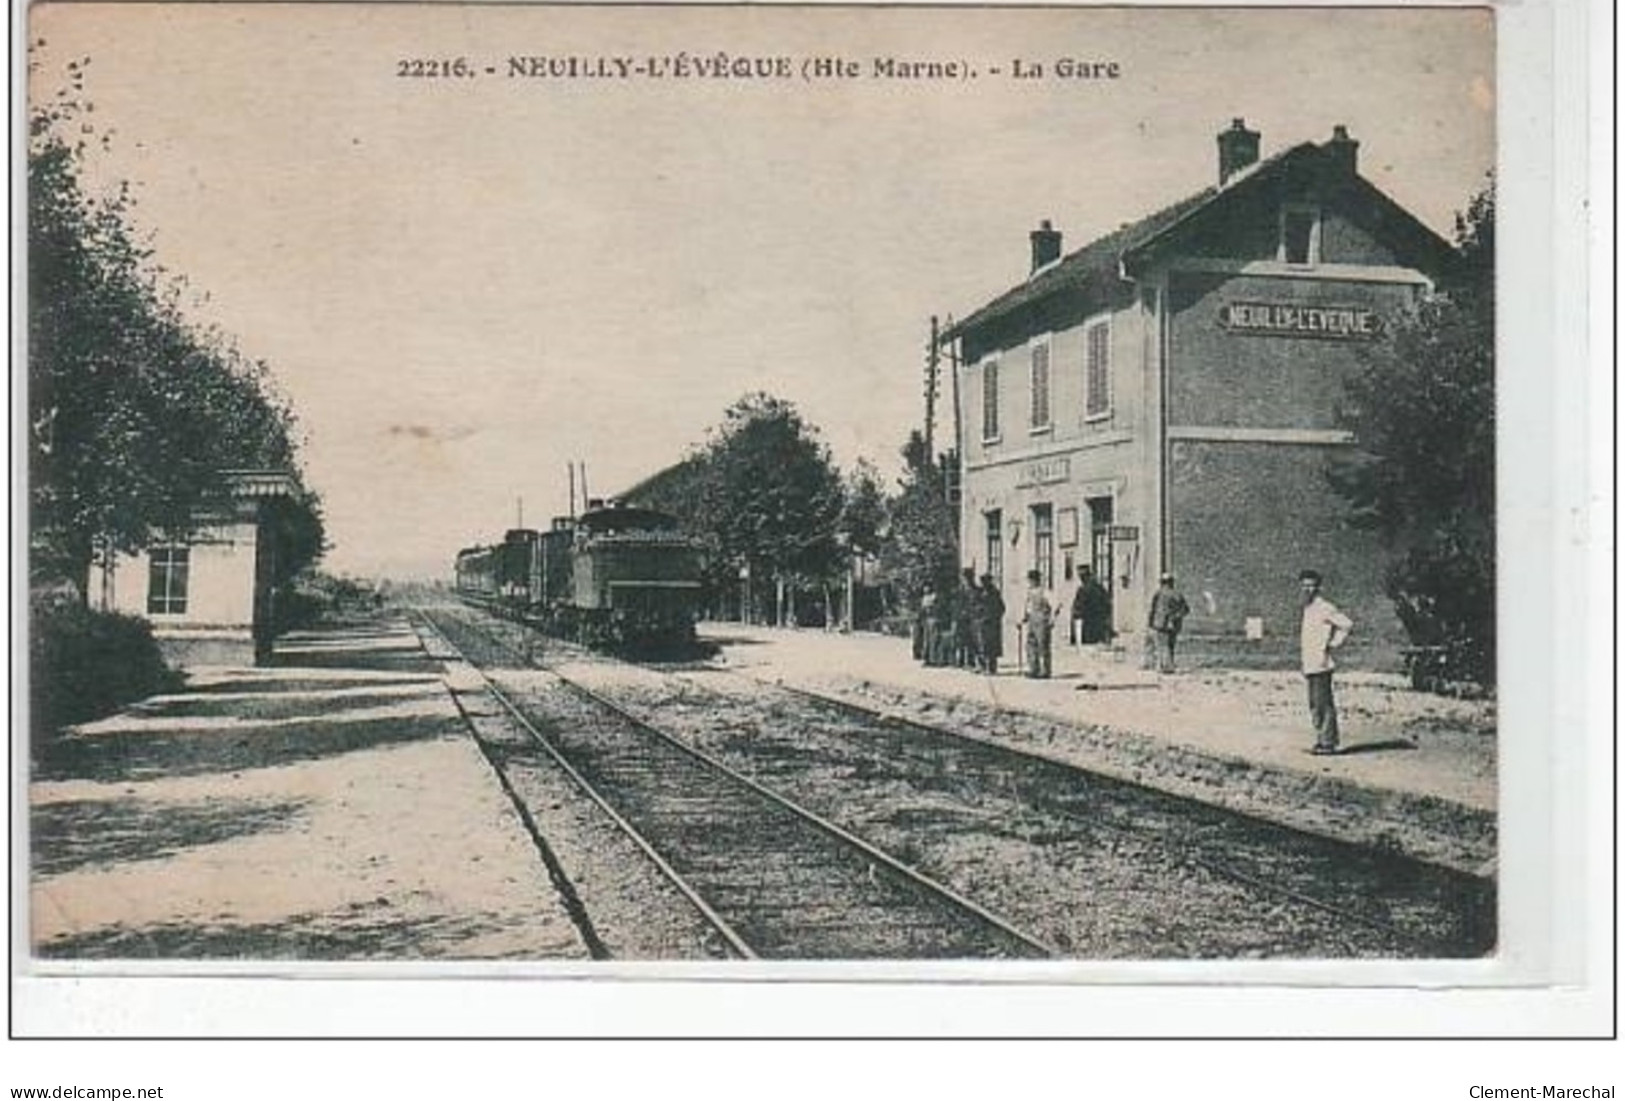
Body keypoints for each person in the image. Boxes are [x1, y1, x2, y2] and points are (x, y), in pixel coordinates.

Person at [1299, 569, 1354, 755]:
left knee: (1324, 703)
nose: (1307, 589)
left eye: (1311, 585)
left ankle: (1329, 742)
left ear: (1318, 587)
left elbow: (1346, 624)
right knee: (1314, 704)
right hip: (1310, 663)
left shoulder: (1325, 607)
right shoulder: (1307, 608)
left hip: (1322, 664)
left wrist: (1333, 643)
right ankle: (1321, 740)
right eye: (1304, 585)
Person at [1147, 572, 1190, 673]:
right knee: (1170, 645)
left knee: (1162, 645)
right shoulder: (1176, 594)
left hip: (1160, 623)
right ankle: (1167, 665)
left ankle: (1163, 666)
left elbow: (1152, 609)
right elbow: (1185, 610)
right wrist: (1176, 617)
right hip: (1170, 624)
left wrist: (1150, 622)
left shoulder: (1159, 594)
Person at [1022, 569, 1053, 679]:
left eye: (1031, 580)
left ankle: (1045, 670)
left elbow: (1056, 604)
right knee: (1031, 645)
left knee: (1043, 645)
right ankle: (1033, 669)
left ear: (1036, 580)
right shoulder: (1029, 592)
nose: (1030, 582)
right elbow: (1028, 607)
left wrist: (1051, 619)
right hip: (1032, 619)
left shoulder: (1044, 591)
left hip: (1042, 619)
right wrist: (1024, 617)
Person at [1072, 565, 1112, 646]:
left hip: (1089, 623)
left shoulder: (1084, 590)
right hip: (1098, 623)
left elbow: (1078, 606)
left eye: (1082, 576)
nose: (1081, 579)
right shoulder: (1099, 588)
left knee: (1089, 645)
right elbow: (1108, 604)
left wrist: (1076, 613)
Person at [955, 568, 982, 670]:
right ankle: (965, 661)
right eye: (964, 578)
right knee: (964, 641)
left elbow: (978, 604)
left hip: (973, 619)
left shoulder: (977, 590)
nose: (965, 580)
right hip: (962, 619)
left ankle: (975, 662)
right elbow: (957, 605)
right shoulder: (961, 591)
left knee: (975, 641)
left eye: (966, 577)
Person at [978, 574, 1005, 674]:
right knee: (983, 645)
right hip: (983, 623)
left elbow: (1001, 608)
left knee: (991, 646)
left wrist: (994, 618)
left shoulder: (994, 593)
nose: (983, 584)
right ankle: (983, 666)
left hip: (992, 624)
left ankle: (991, 668)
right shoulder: (982, 593)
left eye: (984, 582)